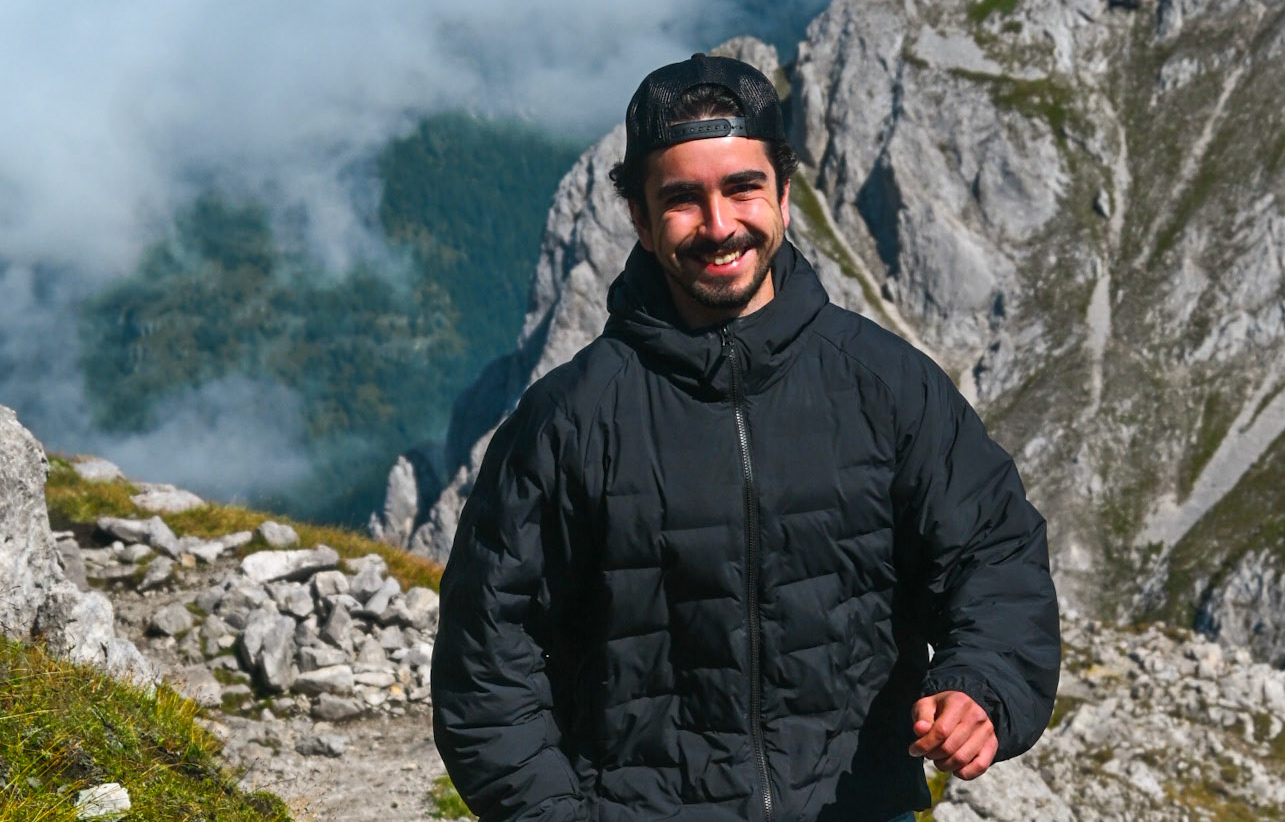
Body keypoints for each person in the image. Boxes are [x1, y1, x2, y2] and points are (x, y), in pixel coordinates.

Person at [432, 53, 1061, 822]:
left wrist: (980, 686)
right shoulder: (565, 422)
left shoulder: (888, 385)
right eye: (682, 199)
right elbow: (486, 662)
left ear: (784, 196)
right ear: (639, 219)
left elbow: (994, 557)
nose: (720, 225)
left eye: (742, 188)